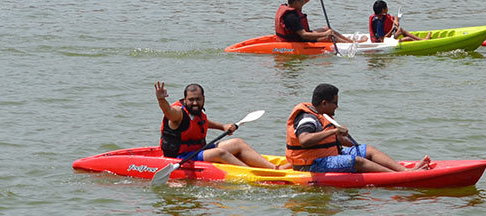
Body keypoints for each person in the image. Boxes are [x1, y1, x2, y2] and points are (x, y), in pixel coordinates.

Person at [286, 83, 432, 173]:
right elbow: (304, 140)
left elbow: (328, 141)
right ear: (324, 103)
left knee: (368, 150)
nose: (337, 106)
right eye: (335, 103)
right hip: (311, 166)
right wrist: (335, 131)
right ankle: (398, 176)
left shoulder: (323, 115)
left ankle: (405, 170)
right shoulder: (307, 118)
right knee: (356, 161)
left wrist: (342, 139)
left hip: (327, 156)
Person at [155, 81, 286, 169]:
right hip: (181, 156)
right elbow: (168, 111)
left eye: (198, 99)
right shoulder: (178, 114)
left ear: (203, 99)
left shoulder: (197, 113)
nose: (195, 103)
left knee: (237, 143)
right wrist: (162, 100)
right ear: (185, 100)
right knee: (220, 153)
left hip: (198, 150)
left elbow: (201, 123)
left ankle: (274, 168)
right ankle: (254, 174)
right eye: (191, 100)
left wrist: (222, 127)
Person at [274, 0, 353, 43]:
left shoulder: (290, 5)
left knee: (327, 28)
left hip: (301, 36)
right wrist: (325, 34)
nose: (303, 3)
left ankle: (352, 42)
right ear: (295, 3)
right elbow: (304, 35)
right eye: (302, 2)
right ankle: (350, 45)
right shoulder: (291, 17)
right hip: (299, 40)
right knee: (329, 36)